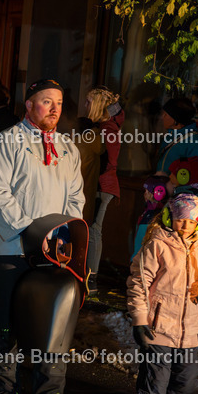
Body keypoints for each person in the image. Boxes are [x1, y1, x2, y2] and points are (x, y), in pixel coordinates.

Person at [0, 78, 83, 394]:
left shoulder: (69, 148)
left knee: (53, 326)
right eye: (45, 101)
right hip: (11, 248)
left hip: (53, 253)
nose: (54, 108)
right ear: (28, 105)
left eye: (58, 102)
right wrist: (31, 230)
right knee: (8, 325)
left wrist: (65, 233)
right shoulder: (5, 142)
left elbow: (76, 198)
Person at [128, 193, 198, 394]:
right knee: (156, 379)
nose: (185, 225)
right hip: (158, 326)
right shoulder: (156, 245)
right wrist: (139, 321)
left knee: (186, 379)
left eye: (191, 221)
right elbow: (139, 283)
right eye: (181, 220)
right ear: (170, 217)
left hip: (188, 329)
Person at [75, 86, 124, 296]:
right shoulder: (102, 126)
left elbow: (109, 160)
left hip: (101, 185)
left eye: (88, 101)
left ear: (95, 105)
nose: (85, 105)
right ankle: (87, 275)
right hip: (97, 183)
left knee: (94, 230)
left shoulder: (107, 128)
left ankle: (91, 278)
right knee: (91, 229)